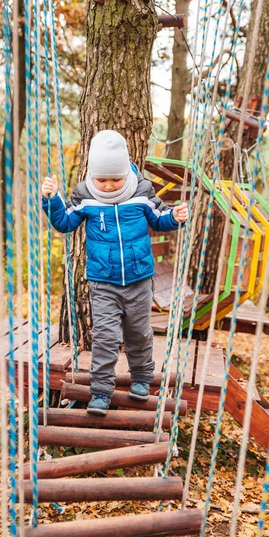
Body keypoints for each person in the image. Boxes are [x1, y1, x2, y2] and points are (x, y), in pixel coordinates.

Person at [42, 130, 188, 415]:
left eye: (115, 180)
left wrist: (176, 217)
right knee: (106, 338)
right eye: (102, 180)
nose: (108, 186)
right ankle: (100, 392)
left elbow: (160, 219)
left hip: (139, 279)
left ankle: (143, 378)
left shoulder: (141, 191)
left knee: (139, 333)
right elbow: (65, 222)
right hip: (103, 282)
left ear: (125, 173)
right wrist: (53, 199)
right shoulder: (85, 195)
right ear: (92, 175)